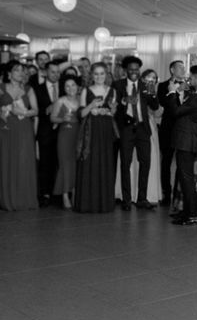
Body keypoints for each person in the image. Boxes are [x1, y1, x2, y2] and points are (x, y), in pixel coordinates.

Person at [167, 65, 197, 226]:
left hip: (187, 141)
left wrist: (172, 92)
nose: (190, 80)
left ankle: (192, 215)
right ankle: (188, 212)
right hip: (189, 140)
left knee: (187, 179)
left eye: (192, 77)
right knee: (185, 177)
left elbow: (176, 112)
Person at [0, 60, 39, 211]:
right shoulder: (0, 88)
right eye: (17, 70)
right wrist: (3, 112)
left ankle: (25, 199)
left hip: (24, 127)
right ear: (9, 73)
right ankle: (8, 199)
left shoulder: (29, 89)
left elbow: (36, 110)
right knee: (8, 161)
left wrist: (24, 112)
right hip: (5, 128)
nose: (20, 73)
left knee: (24, 161)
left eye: (22, 70)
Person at [114, 56, 159, 210]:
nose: (134, 71)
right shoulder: (118, 85)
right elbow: (113, 108)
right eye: (131, 69)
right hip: (126, 129)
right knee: (125, 164)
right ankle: (126, 200)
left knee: (145, 163)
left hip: (142, 129)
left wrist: (152, 94)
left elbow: (154, 105)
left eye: (136, 69)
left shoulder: (145, 84)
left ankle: (142, 198)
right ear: (126, 70)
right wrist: (124, 101)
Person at [74, 62, 117, 213]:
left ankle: (103, 203)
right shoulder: (86, 91)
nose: (99, 77)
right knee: (90, 163)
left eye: (102, 73)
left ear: (106, 75)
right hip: (90, 131)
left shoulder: (112, 90)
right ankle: (87, 203)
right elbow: (80, 114)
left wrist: (109, 112)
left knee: (104, 163)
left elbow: (113, 113)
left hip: (105, 131)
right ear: (92, 76)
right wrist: (91, 106)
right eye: (96, 74)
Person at [158, 60, 186, 207]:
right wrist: (174, 92)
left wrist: (183, 90)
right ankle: (166, 194)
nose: (183, 70)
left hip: (184, 130)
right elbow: (164, 104)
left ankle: (179, 195)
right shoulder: (163, 85)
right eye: (179, 67)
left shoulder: (190, 87)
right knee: (166, 162)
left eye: (183, 67)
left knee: (182, 163)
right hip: (168, 128)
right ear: (172, 69)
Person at [50, 74, 81, 209]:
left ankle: (75, 192)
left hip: (79, 135)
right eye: (67, 86)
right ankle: (64, 196)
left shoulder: (82, 100)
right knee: (64, 165)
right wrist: (63, 119)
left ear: (77, 86)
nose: (70, 88)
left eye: (73, 85)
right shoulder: (60, 101)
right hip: (64, 135)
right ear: (63, 88)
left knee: (76, 165)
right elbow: (52, 118)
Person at [34, 61, 61, 206]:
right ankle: (44, 193)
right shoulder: (37, 89)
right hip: (45, 132)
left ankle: (58, 193)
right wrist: (46, 110)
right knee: (45, 163)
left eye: (58, 72)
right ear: (45, 73)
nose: (56, 74)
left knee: (60, 163)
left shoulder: (65, 87)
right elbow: (33, 108)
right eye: (52, 72)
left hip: (62, 132)